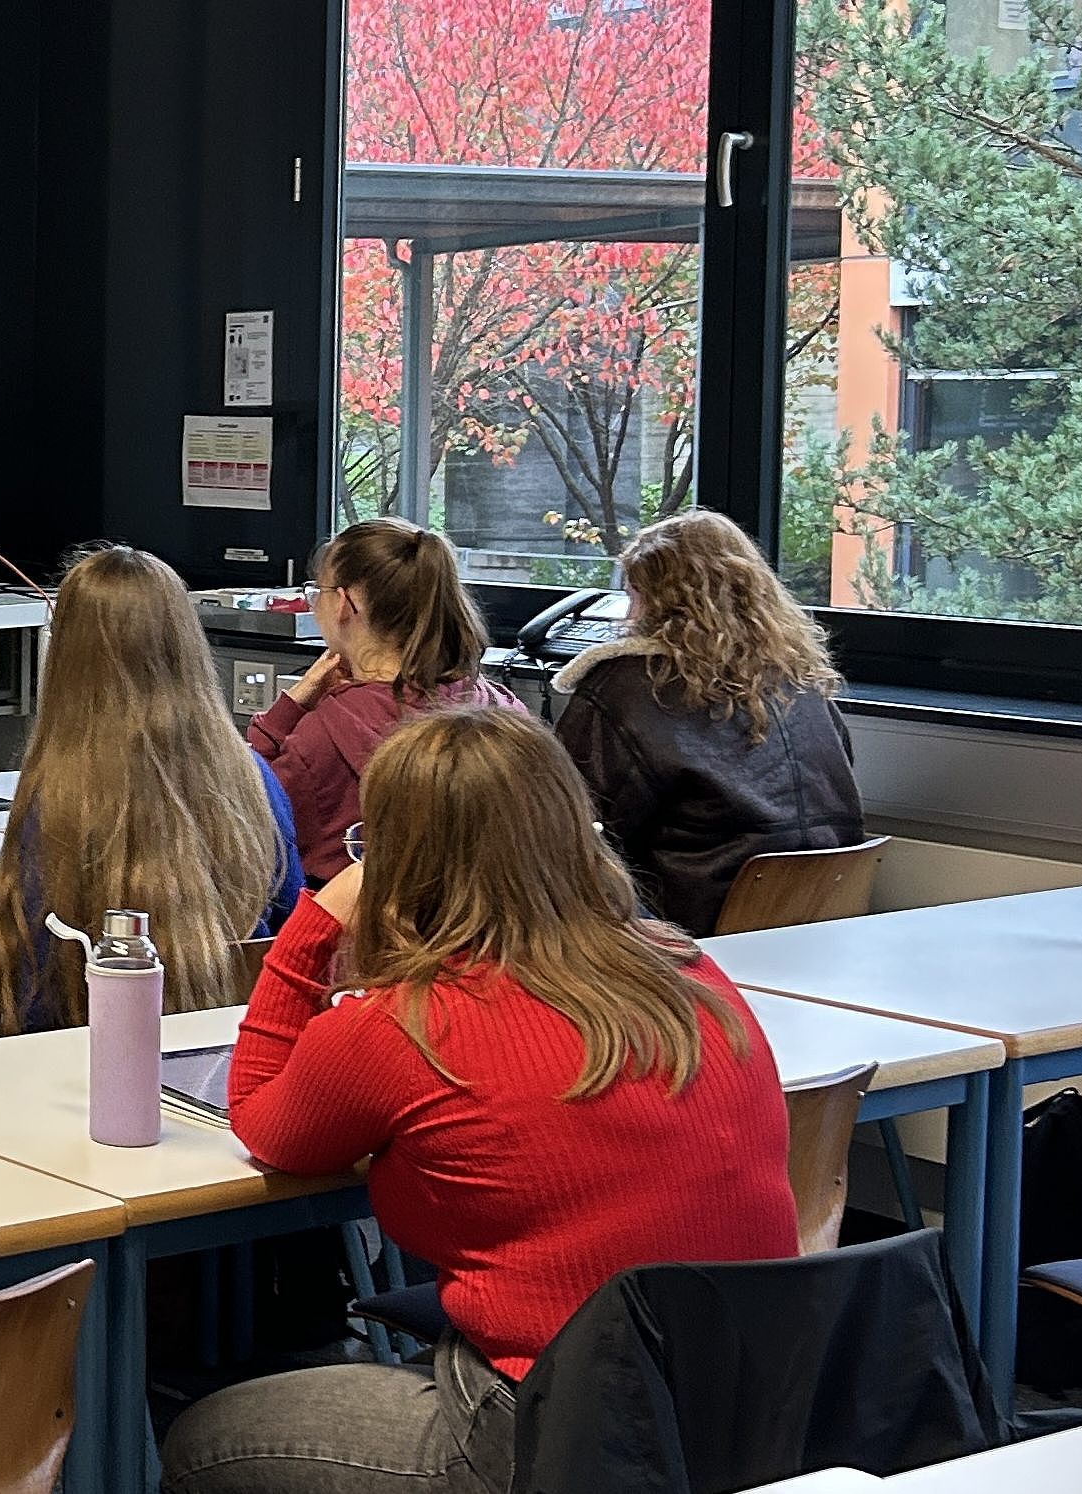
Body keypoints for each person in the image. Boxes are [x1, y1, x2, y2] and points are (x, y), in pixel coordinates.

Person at [161, 706, 797, 1494]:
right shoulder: (686, 973)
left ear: (398, 861)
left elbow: (263, 1122)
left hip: (553, 1432)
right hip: (747, 1414)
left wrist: (312, 927)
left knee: (198, 1440)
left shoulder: (407, 1025)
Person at [0, 546, 300, 1030]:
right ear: (187, 643)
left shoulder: (55, 794)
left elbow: (31, 975)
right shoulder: (252, 779)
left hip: (71, 1051)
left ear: (63, 651)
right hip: (222, 1052)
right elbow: (286, 930)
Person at [553, 511, 863, 935]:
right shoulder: (801, 680)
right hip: (821, 923)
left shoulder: (628, 686)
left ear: (652, 597)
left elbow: (562, 825)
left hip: (686, 926)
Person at [245, 517, 521, 883]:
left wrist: (284, 714)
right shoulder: (503, 709)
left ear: (344, 604)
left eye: (318, 593)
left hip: (355, 930)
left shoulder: (321, 736)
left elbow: (246, 819)